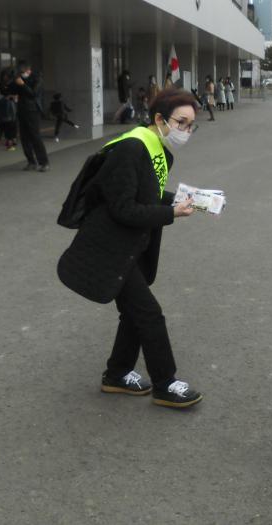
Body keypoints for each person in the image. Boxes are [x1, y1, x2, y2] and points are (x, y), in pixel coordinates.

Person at [57, 88, 203, 409]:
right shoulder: (130, 149)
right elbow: (124, 208)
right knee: (149, 314)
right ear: (159, 119)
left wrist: (179, 199)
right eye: (181, 122)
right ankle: (166, 383)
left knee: (134, 313)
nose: (186, 131)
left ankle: (117, 373)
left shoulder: (157, 149)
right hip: (109, 249)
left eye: (191, 125)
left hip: (129, 248)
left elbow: (146, 195)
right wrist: (171, 212)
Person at [8, 61, 50, 171]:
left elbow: (33, 94)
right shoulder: (19, 79)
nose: (22, 74)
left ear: (28, 70)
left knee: (35, 137)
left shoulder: (37, 79)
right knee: (24, 138)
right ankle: (31, 162)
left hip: (33, 111)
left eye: (22, 72)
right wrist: (14, 81)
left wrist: (22, 84)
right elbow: (10, 91)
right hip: (21, 111)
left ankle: (44, 163)